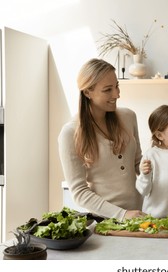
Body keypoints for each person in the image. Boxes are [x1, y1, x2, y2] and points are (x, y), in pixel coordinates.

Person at [58, 58, 145, 220]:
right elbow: (79, 192)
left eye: (117, 86)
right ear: (87, 92)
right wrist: (122, 214)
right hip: (104, 221)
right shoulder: (69, 133)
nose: (117, 94)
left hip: (137, 216)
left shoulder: (129, 117)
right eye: (107, 90)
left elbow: (138, 164)